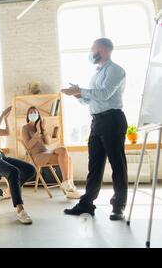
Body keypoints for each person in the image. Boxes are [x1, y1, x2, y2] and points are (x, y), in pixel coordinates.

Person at [62, 38, 128, 221]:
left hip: (112, 120)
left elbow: (105, 94)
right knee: (95, 165)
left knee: (117, 165)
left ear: (104, 50)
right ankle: (87, 204)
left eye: (94, 49)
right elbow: (90, 99)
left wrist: (82, 90)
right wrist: (77, 94)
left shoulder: (116, 70)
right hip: (97, 121)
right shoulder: (96, 74)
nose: (91, 53)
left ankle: (118, 207)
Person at [22, 106, 80, 199]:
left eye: (35, 113)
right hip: (37, 156)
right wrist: (37, 134)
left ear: (38, 115)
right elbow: (28, 146)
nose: (33, 114)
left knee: (64, 151)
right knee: (67, 158)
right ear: (28, 115)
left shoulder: (40, 126)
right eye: (31, 113)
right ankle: (68, 186)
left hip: (46, 152)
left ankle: (69, 185)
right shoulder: (25, 128)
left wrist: (43, 130)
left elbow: (48, 142)